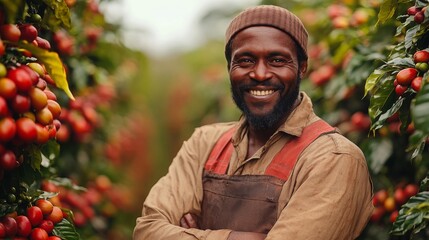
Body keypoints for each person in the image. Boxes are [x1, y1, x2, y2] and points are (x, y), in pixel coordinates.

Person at [133, 5, 374, 240]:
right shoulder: (204, 143)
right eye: (245, 61)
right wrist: (238, 237)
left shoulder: (333, 158)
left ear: (302, 68)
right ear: (229, 68)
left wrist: (195, 232)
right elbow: (147, 231)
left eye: (277, 60)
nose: (260, 74)